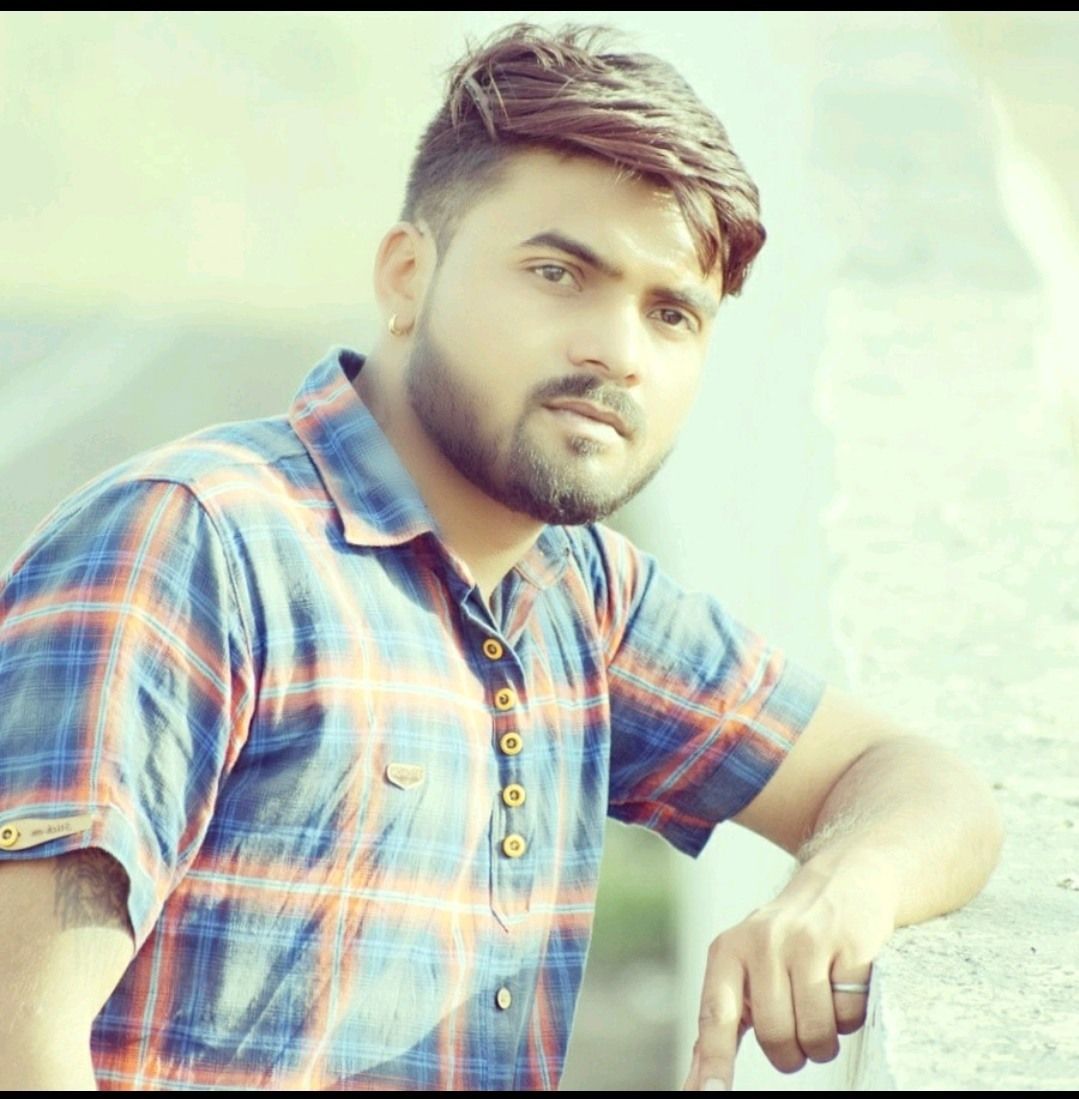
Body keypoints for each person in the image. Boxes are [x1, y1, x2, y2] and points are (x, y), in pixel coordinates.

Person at [0, 23, 1001, 1092]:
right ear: (405, 275)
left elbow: (922, 785)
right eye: (557, 272)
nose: (616, 350)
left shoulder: (583, 598)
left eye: (670, 313)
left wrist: (840, 885)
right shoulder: (192, 545)